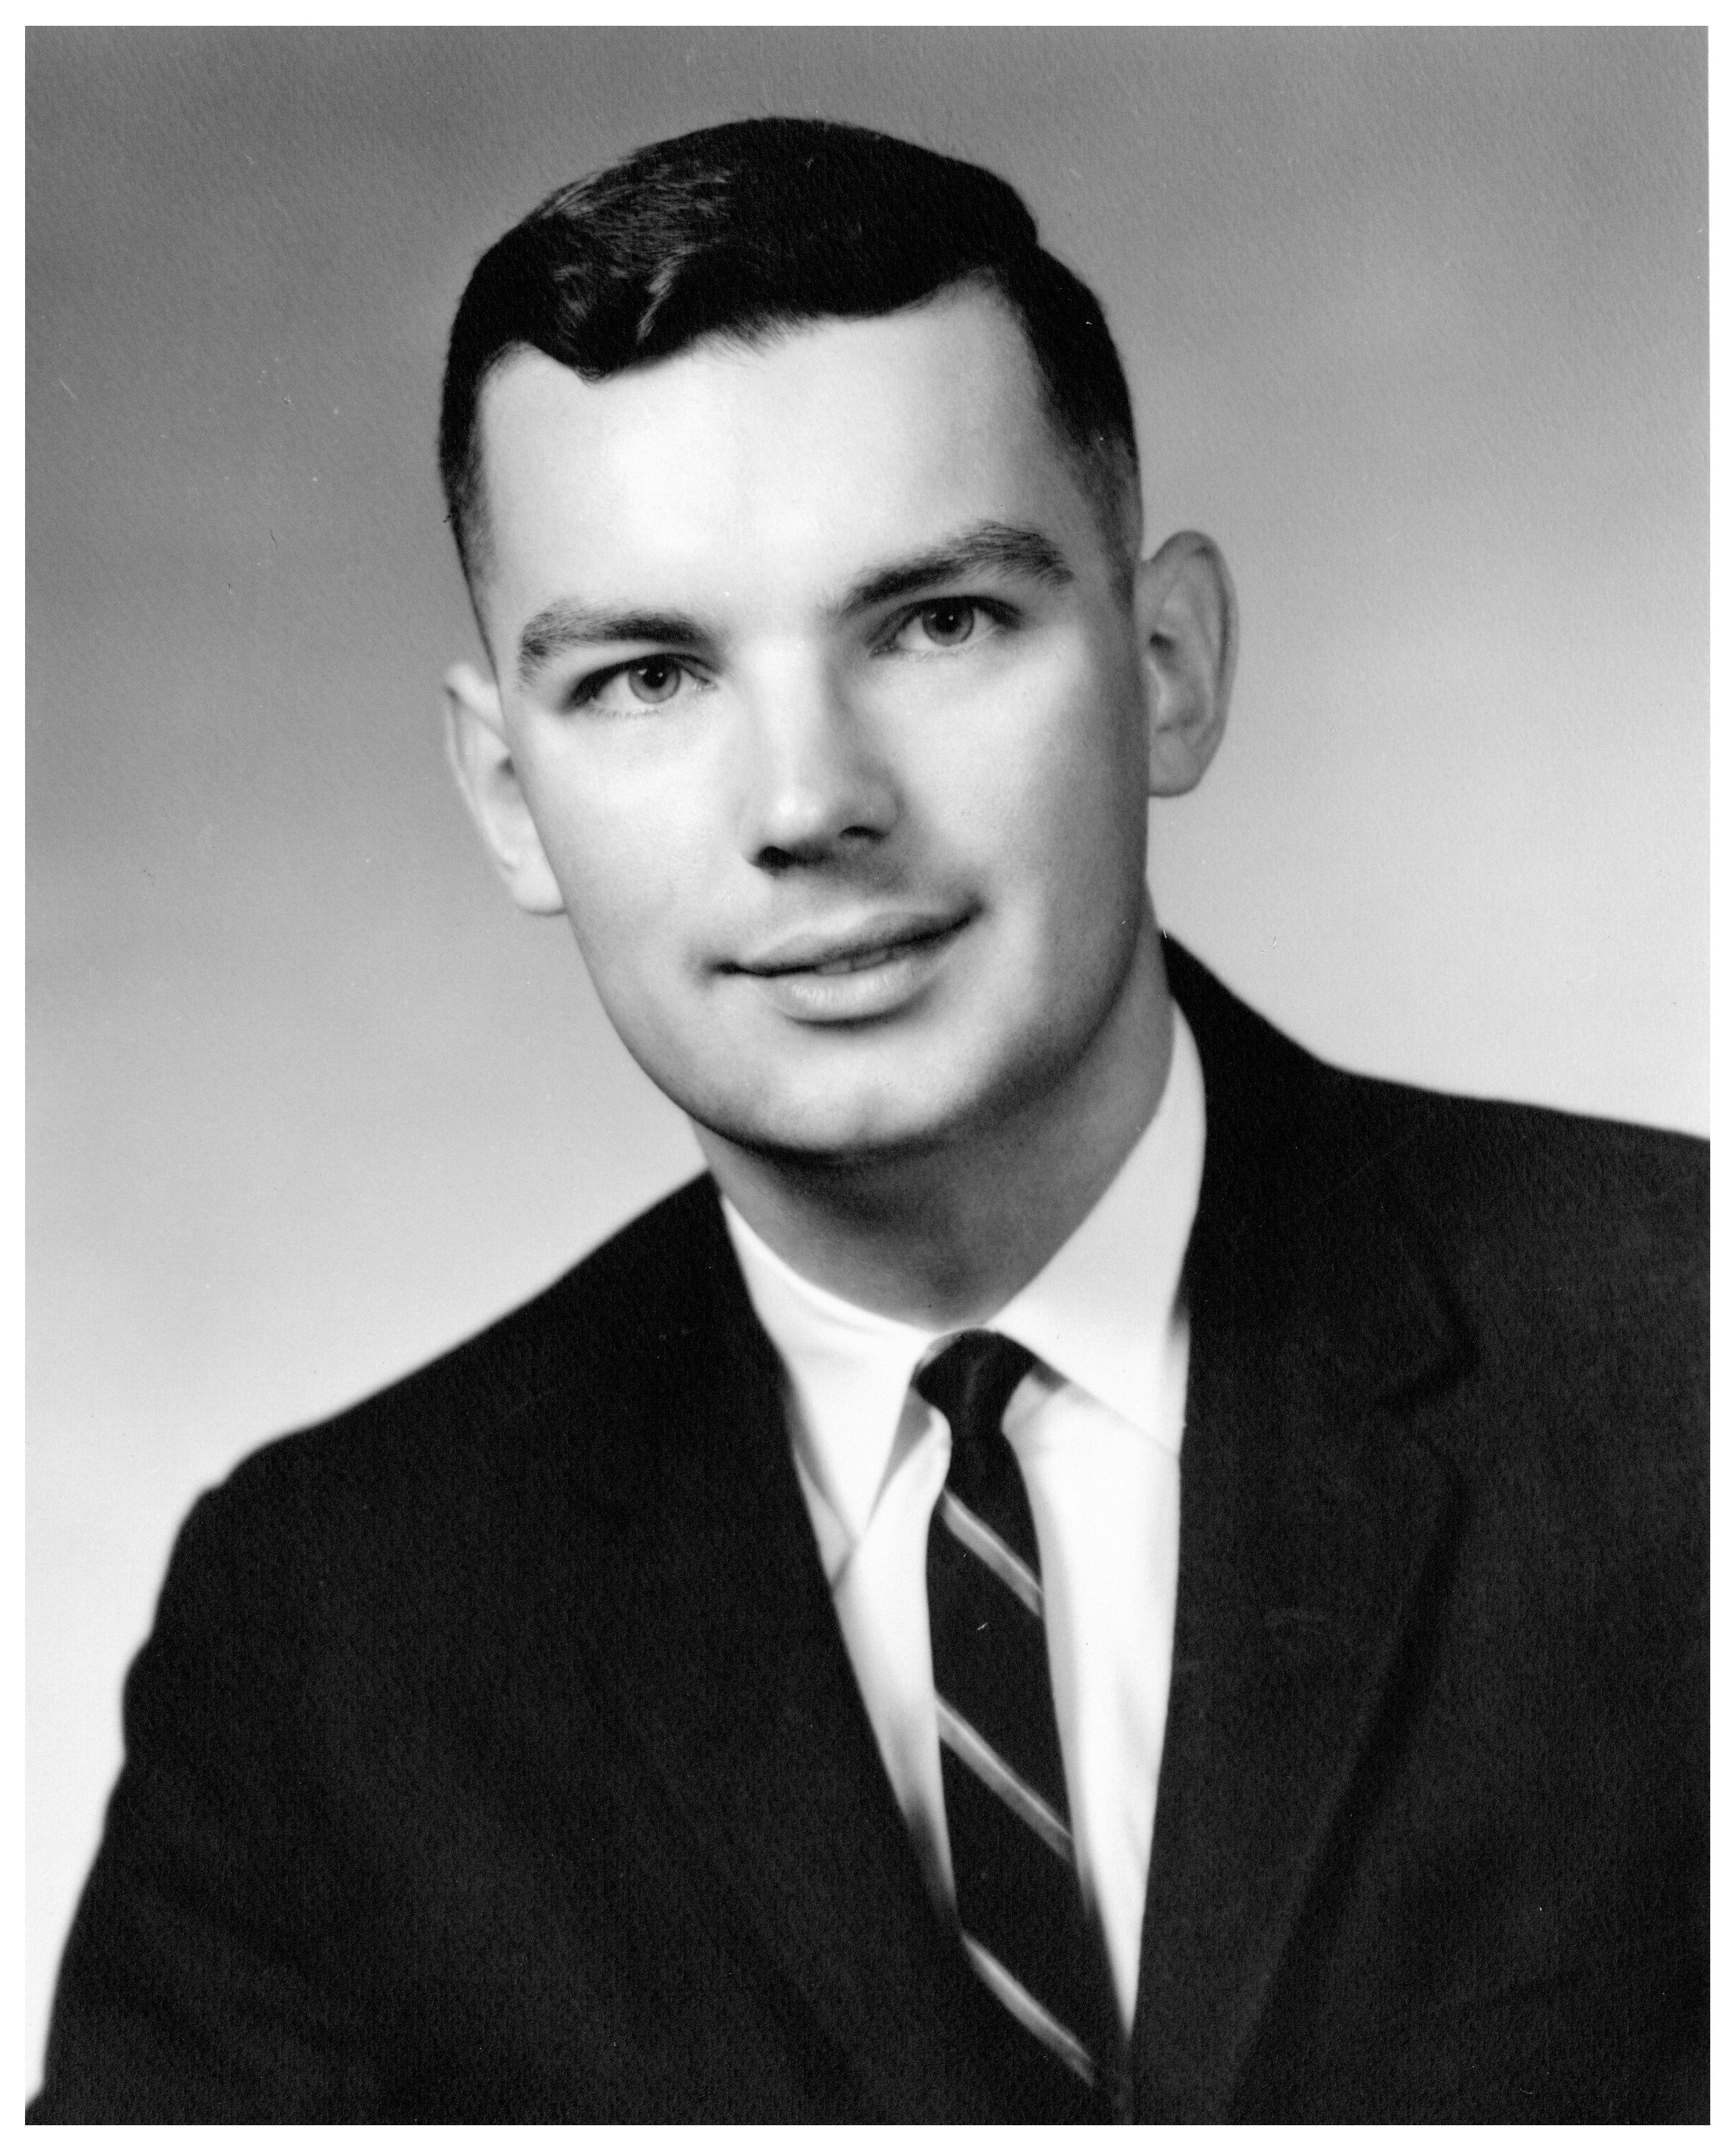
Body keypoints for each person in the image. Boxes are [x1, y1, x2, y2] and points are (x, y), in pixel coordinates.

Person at [29, 117, 1706, 2124]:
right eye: (650, 675)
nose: (809, 801)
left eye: (937, 624)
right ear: (505, 795)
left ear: (1167, 670)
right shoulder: (329, 1642)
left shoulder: (1688, 1358)